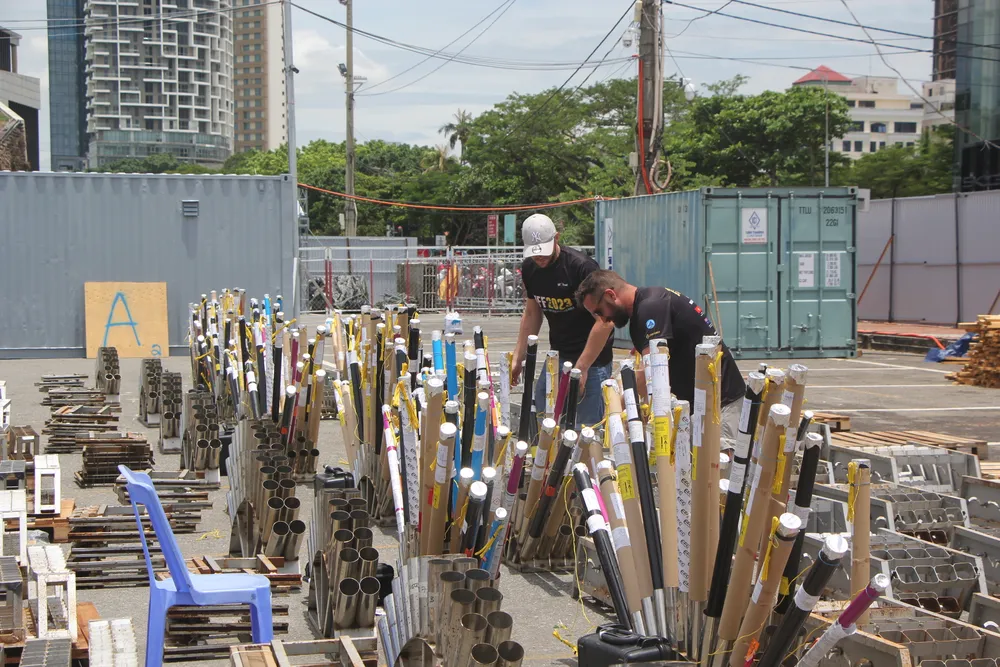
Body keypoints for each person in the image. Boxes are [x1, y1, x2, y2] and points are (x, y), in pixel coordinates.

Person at [575, 269, 746, 444]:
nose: (603, 320)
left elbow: (653, 374)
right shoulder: (644, 308)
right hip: (700, 404)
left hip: (721, 402)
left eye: (599, 311)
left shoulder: (650, 307)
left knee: (721, 466)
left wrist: (620, 407)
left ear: (611, 295)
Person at [511, 214, 615, 427]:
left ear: (556, 238)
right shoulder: (530, 269)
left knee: (585, 429)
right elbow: (532, 313)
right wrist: (518, 357)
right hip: (558, 354)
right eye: (534, 253)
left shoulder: (581, 268)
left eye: (544, 251)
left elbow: (605, 321)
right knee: (545, 418)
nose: (539, 258)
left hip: (593, 359)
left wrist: (582, 368)